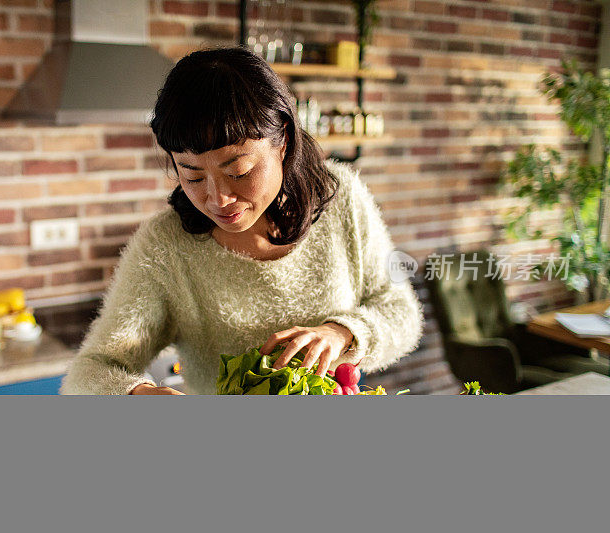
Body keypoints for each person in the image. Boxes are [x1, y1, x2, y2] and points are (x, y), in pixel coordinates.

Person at [59, 47, 423, 395]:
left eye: (239, 171)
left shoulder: (342, 196)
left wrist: (342, 333)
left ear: (283, 141)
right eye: (194, 177)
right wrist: (138, 393)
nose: (218, 199)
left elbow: (402, 313)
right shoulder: (165, 246)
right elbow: (92, 369)